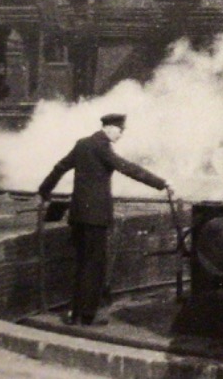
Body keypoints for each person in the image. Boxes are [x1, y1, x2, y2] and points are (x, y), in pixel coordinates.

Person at [38, 113, 172, 326]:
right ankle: (88, 315)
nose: (121, 134)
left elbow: (60, 167)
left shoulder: (82, 144)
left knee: (81, 263)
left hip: (79, 215)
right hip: (96, 218)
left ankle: (74, 313)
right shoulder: (102, 147)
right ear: (109, 128)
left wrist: (44, 190)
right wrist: (161, 183)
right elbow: (128, 168)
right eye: (120, 130)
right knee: (95, 265)